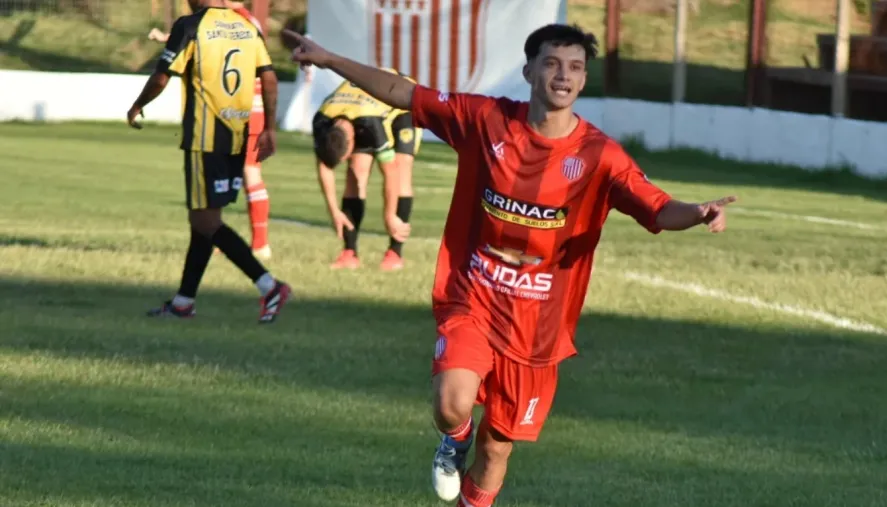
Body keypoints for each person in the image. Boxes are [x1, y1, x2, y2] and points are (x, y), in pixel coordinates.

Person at [288, 23, 739, 506]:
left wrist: (695, 213)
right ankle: (453, 437)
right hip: (474, 299)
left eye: (574, 67)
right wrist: (331, 59)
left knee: (497, 450)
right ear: (528, 71)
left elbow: (655, 206)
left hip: (538, 330)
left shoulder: (600, 156)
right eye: (551, 63)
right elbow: (405, 93)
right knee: (450, 404)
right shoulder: (485, 120)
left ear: (584, 80)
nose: (562, 76)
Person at [129, 0, 291, 324]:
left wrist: (136, 105)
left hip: (205, 139)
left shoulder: (190, 26)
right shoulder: (245, 25)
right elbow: (269, 79)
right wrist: (269, 128)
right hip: (236, 135)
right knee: (202, 220)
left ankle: (269, 286)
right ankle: (183, 302)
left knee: (206, 222)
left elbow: (163, 76)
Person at [148, 0, 272, 260]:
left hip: (236, 106)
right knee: (229, 181)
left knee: (248, 174)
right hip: (246, 107)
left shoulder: (235, 19)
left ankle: (257, 245)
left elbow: (208, 39)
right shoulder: (244, 21)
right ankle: (222, 238)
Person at [310, 69, 420, 271]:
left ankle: (395, 252)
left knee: (402, 168)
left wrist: (389, 216)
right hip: (356, 109)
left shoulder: (371, 125)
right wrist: (334, 211)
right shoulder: (322, 120)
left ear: (352, 142)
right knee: (356, 171)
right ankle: (349, 253)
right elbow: (325, 164)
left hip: (402, 104)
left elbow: (391, 171)